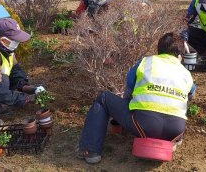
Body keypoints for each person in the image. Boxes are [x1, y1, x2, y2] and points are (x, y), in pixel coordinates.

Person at [76, 33, 196, 164]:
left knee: (104, 98)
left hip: (144, 125)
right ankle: (175, 141)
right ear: (179, 56)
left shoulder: (146, 63)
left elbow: (129, 90)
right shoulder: (186, 73)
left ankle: (90, 150)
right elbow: (190, 97)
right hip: (175, 130)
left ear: (159, 50)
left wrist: (121, 116)